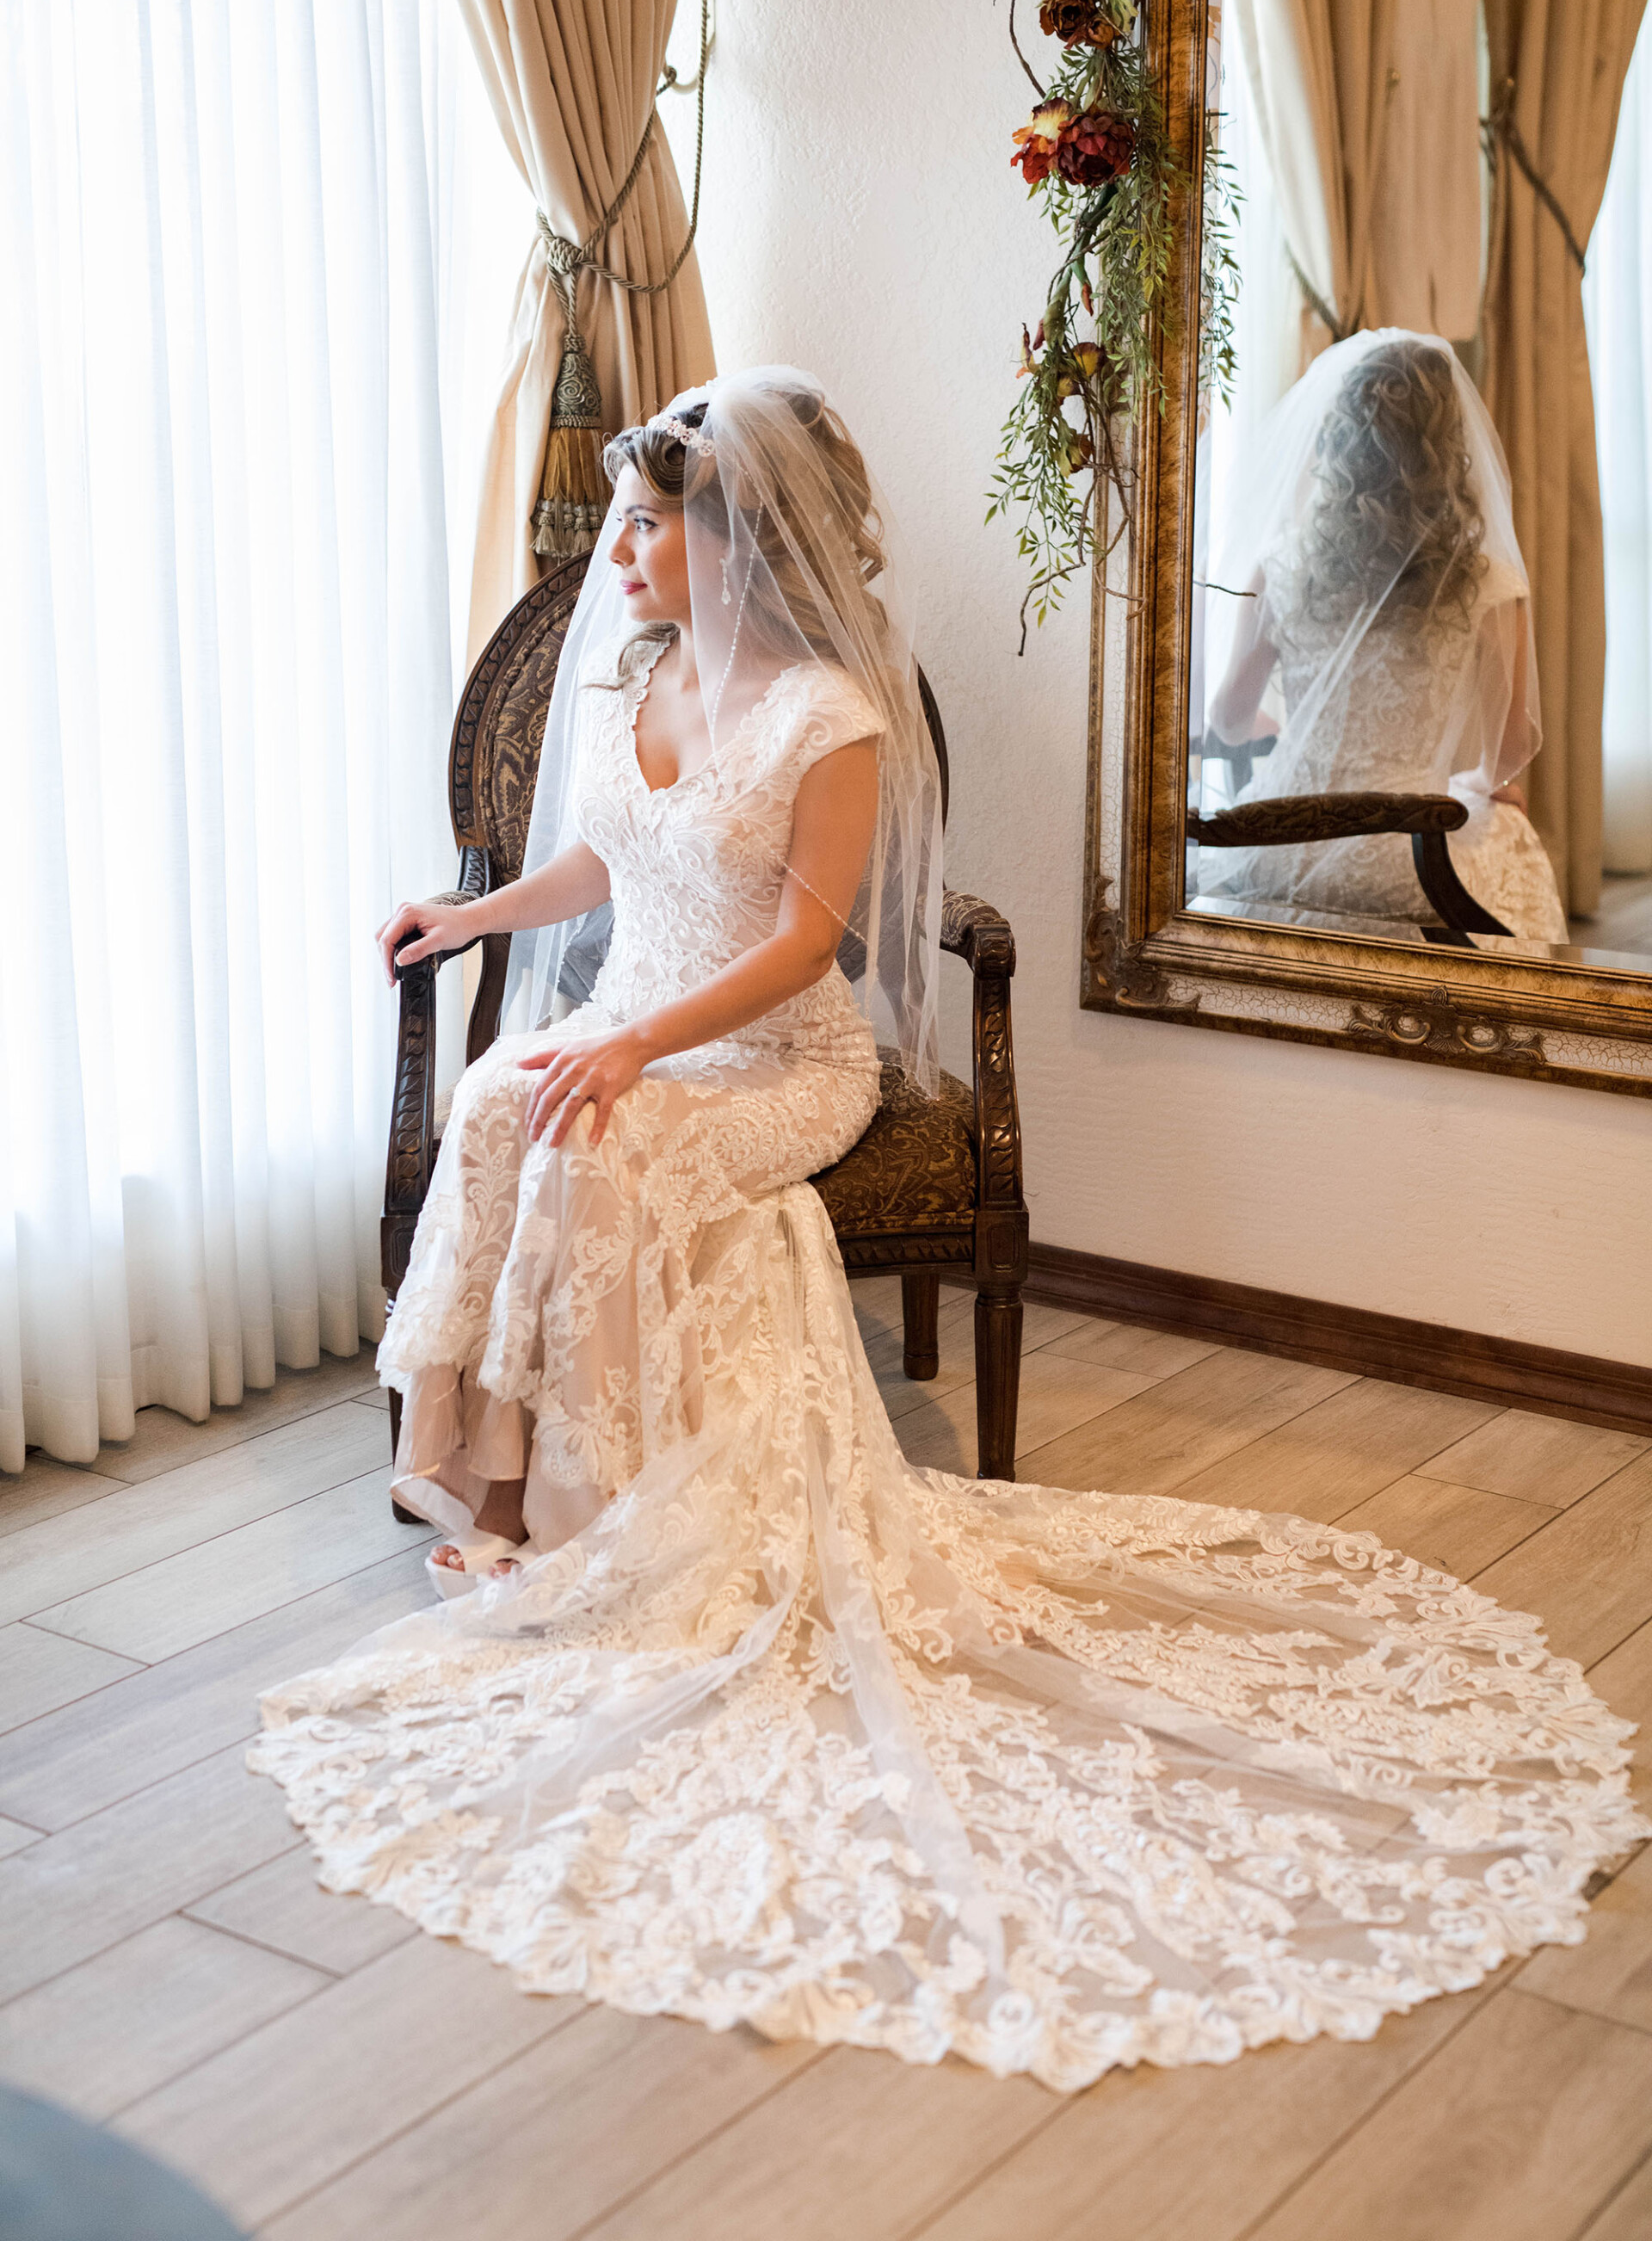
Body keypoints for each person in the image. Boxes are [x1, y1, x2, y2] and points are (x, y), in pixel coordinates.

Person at [252, 367, 1641, 2093]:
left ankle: (571, 1518)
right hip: (647, 1023)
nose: (614, 555)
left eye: (643, 527)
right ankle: (478, 1466)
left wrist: (630, 1045)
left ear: (734, 536)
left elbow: (803, 955)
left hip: (778, 1058)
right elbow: (611, 870)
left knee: (607, 1143)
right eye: (620, 528)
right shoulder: (644, 680)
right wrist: (475, 913)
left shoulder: (831, 713)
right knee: (490, 1104)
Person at [1200, 331, 1569, 941]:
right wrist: (1475, 786)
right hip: (1411, 860)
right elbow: (1505, 755)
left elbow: (1231, 723)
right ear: (1449, 448)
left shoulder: (1281, 568)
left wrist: (1287, 732)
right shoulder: (1488, 582)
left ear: (1338, 441)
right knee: (1510, 831)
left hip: (1280, 840)